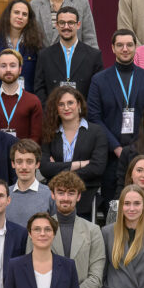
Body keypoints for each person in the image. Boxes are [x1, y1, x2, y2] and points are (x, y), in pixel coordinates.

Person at [88, 29, 144, 210]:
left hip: (142, 153)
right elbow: (94, 117)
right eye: (120, 45)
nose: (125, 49)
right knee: (113, 207)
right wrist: (116, 148)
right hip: (110, 155)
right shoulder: (99, 80)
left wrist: (136, 147)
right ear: (112, 48)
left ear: (136, 47)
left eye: (129, 45)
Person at [39, 86, 108, 219]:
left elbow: (97, 168)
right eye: (61, 104)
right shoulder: (50, 133)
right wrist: (79, 164)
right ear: (56, 108)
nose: (66, 108)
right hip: (55, 198)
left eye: (70, 103)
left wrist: (58, 169)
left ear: (79, 104)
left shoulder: (96, 132)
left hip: (85, 196)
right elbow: (45, 168)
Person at [33, 6, 103, 104]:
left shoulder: (94, 55)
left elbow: (98, 90)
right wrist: (49, 110)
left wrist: (83, 110)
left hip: (82, 111)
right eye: (62, 23)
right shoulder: (44, 55)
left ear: (78, 25)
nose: (66, 27)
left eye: (70, 23)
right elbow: (39, 88)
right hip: (53, 111)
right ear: (57, 25)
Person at [0, 0, 42, 94]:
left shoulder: (36, 44)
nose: (20, 17)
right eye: (16, 12)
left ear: (28, 20)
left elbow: (39, 81)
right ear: (9, 15)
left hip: (27, 97)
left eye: (24, 14)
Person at [0, 49, 43, 141]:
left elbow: (36, 137)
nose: (8, 70)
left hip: (25, 150)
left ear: (20, 69)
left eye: (12, 66)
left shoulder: (33, 101)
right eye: (3, 66)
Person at [6, 139, 55, 228]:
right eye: (19, 162)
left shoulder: (50, 195)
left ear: (37, 164)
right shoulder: (4, 195)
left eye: (29, 162)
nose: (24, 167)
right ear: (13, 164)